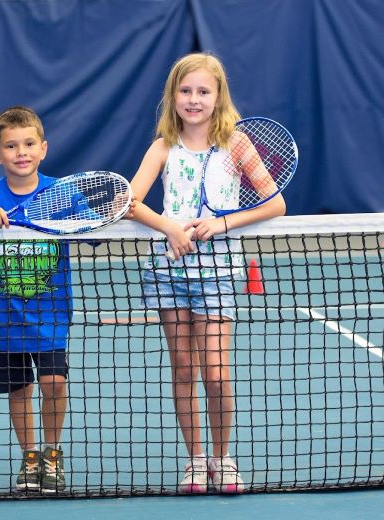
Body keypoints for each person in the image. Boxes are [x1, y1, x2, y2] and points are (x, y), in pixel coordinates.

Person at [126, 53, 285, 494]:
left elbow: (275, 203)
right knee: (182, 369)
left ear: (218, 97)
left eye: (203, 91)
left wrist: (222, 223)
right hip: (168, 272)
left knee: (215, 371)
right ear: (173, 96)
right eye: (185, 91)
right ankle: (196, 460)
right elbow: (131, 202)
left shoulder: (236, 145)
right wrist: (168, 226)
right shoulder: (162, 147)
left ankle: (222, 456)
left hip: (216, 272)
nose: (193, 100)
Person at [0, 106, 70, 494]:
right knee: (20, 390)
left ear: (43, 149)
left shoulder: (60, 193)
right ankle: (30, 456)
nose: (20, 152)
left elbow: (99, 233)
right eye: (10, 146)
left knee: (54, 383)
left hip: (51, 315)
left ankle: (52, 454)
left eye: (28, 144)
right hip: (3, 317)